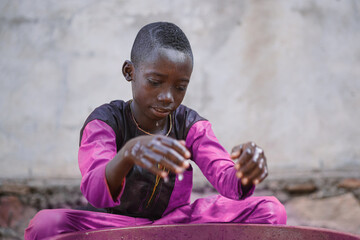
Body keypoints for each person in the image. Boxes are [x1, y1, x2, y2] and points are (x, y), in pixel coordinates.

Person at [25, 22, 286, 240]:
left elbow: (226, 179)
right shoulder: (105, 122)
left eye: (180, 87)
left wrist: (245, 173)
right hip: (114, 227)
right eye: (155, 82)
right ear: (130, 72)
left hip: (175, 226)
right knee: (45, 225)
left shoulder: (190, 124)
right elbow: (94, 190)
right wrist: (128, 154)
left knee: (271, 210)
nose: (167, 97)